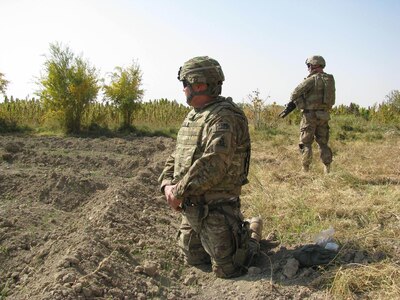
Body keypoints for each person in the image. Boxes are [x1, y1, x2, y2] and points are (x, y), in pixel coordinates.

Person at [158, 56, 262, 278]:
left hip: (218, 207)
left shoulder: (224, 117)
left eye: (185, 84)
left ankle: (252, 233)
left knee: (229, 268)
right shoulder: (195, 116)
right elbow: (176, 155)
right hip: (192, 207)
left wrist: (177, 192)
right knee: (193, 258)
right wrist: (167, 184)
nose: (183, 90)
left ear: (199, 85)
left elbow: (213, 164)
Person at [285, 55, 335, 174]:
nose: (308, 68)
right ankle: (327, 169)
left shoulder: (311, 80)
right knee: (323, 143)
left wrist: (299, 102)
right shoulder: (330, 80)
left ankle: (305, 170)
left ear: (312, 65)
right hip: (323, 115)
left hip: (310, 116)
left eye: (308, 66)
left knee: (306, 143)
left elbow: (294, 93)